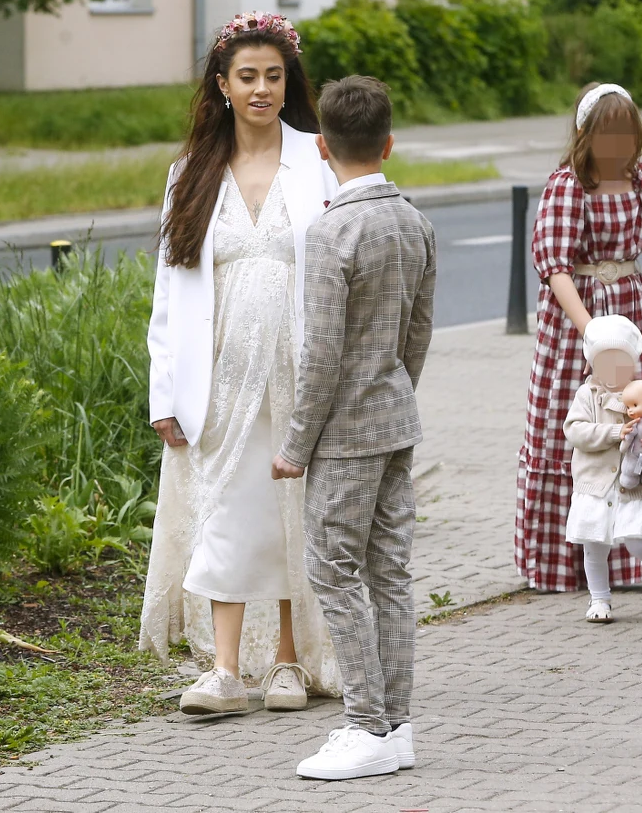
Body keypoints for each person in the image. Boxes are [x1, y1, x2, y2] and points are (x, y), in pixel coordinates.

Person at [139, 11, 339, 713]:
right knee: (226, 509)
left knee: (290, 511)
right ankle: (224, 670)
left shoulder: (319, 161)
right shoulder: (191, 173)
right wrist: (164, 392)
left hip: (299, 371)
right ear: (222, 85)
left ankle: (287, 661)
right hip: (219, 375)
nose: (261, 89)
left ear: (289, 84)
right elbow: (169, 292)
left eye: (273, 77)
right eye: (247, 76)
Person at [271, 75, 437, 780]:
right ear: (389, 143)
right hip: (396, 419)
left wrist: (295, 445)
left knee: (334, 572)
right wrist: (395, 392)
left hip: (343, 433)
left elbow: (321, 355)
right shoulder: (415, 223)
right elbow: (418, 332)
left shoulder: (331, 231)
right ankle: (396, 725)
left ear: (322, 149)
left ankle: (366, 724)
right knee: (390, 573)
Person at [516, 82, 642, 596]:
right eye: (609, 134)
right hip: (575, 324)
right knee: (577, 422)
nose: (619, 144)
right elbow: (555, 268)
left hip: (630, 312)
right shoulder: (568, 185)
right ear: (587, 134)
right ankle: (574, 562)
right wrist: (592, 334)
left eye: (627, 133)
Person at [564, 315, 642, 623]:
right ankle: (599, 599)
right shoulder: (587, 395)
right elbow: (575, 431)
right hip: (595, 484)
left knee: (637, 539)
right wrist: (615, 432)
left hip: (637, 485)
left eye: (621, 362)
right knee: (594, 544)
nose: (613, 370)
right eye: (605, 362)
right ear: (592, 364)